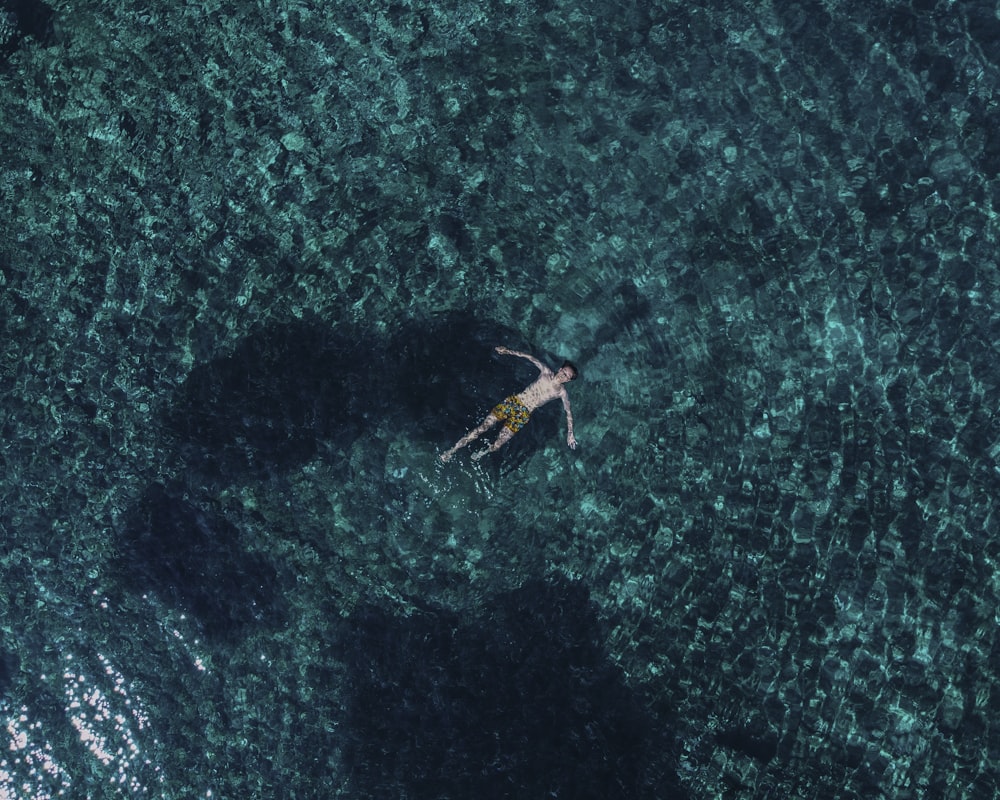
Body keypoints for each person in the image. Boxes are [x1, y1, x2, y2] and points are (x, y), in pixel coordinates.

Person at [439, 345, 578, 462]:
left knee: (498, 445)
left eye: (567, 376)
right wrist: (507, 351)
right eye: (564, 372)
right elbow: (528, 357)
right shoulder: (545, 372)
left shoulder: (561, 393)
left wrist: (570, 433)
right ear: (560, 369)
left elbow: (568, 412)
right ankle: (452, 451)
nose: (563, 376)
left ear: (568, 381)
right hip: (513, 402)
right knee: (482, 428)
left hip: (523, 414)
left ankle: (483, 452)